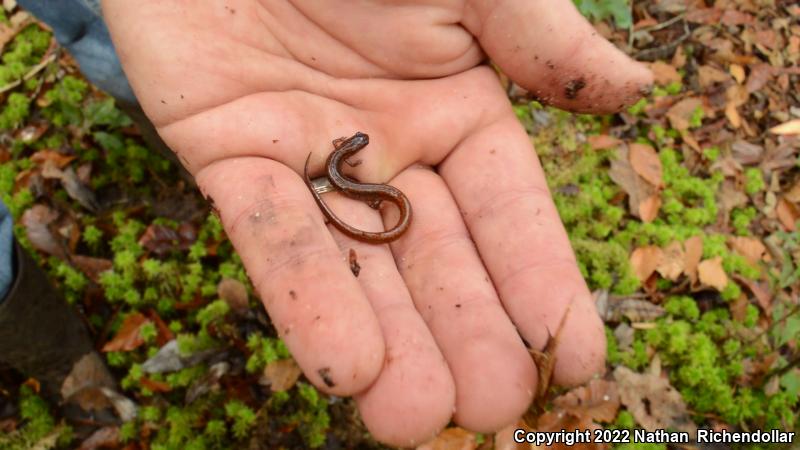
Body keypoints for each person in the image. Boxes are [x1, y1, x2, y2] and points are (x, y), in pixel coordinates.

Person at [1, 0, 653, 447]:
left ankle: (154, 102)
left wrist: (345, 174)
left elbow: (346, 164)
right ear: (348, 153)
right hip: (308, 154)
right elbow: (345, 165)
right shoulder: (347, 164)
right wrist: (347, 175)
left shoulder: (346, 163)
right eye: (348, 150)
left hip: (180, 41)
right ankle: (37, 326)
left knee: (116, 42)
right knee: (127, 50)